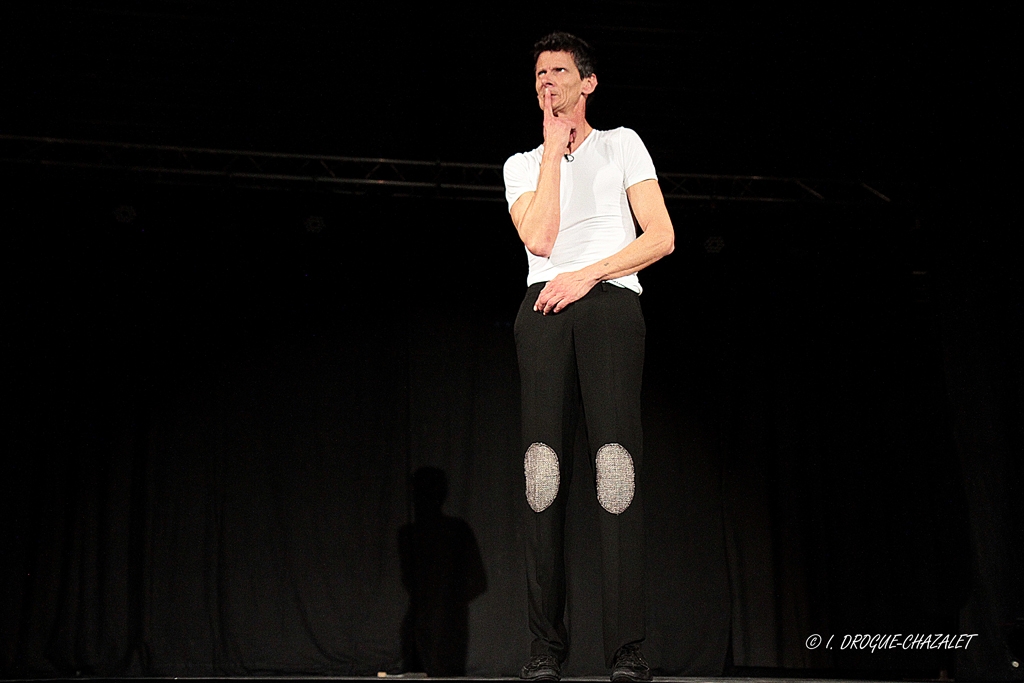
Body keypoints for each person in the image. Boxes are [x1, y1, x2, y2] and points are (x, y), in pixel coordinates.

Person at [503, 32, 675, 683]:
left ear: (588, 83)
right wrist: (551, 153)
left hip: (608, 306)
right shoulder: (521, 164)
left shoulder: (621, 143)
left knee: (614, 469)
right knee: (542, 473)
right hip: (543, 311)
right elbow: (542, 238)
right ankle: (545, 645)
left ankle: (625, 647)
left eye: (560, 71)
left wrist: (591, 274)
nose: (548, 81)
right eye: (540, 73)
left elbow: (661, 236)